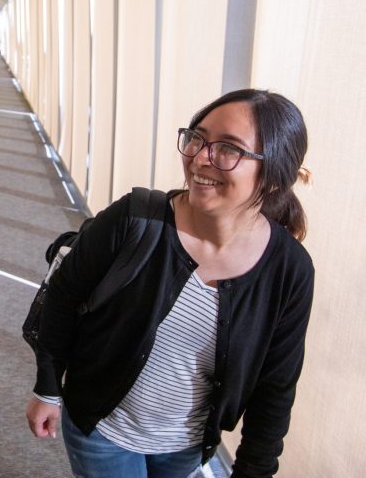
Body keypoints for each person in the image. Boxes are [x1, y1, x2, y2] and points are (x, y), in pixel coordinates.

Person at [26, 89, 314, 478]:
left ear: (275, 177)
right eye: (197, 137)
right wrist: (47, 386)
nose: (198, 157)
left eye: (228, 149)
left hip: (187, 445)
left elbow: (274, 388)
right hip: (102, 430)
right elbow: (62, 297)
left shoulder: (289, 270)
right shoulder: (135, 220)